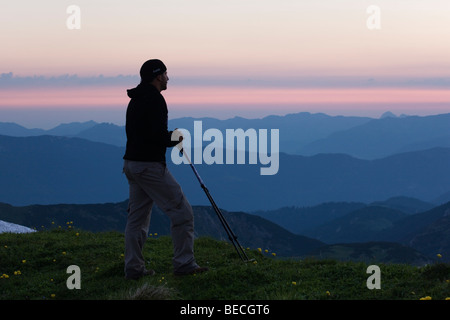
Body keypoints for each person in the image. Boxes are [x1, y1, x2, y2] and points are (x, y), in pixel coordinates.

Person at [122, 59, 208, 280]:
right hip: (150, 166)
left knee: (137, 219)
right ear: (158, 76)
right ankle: (184, 264)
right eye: (166, 74)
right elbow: (156, 136)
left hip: (132, 165)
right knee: (183, 212)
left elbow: (139, 133)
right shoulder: (156, 100)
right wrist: (175, 137)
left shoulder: (136, 100)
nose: (168, 78)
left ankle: (133, 269)